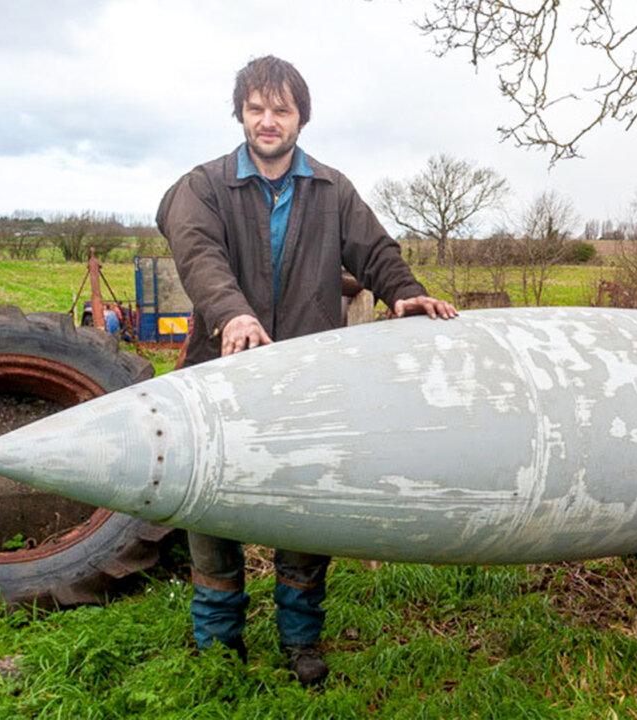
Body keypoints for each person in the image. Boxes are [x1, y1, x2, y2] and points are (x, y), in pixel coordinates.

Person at [156, 55, 457, 687]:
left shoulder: (331, 188)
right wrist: (232, 314)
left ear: (301, 118)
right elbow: (198, 253)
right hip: (223, 370)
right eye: (257, 108)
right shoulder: (203, 186)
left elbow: (374, 251)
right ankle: (218, 643)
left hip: (308, 378)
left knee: (304, 506)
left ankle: (300, 639)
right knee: (213, 509)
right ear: (240, 112)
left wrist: (405, 291)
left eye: (282, 109)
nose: (268, 121)